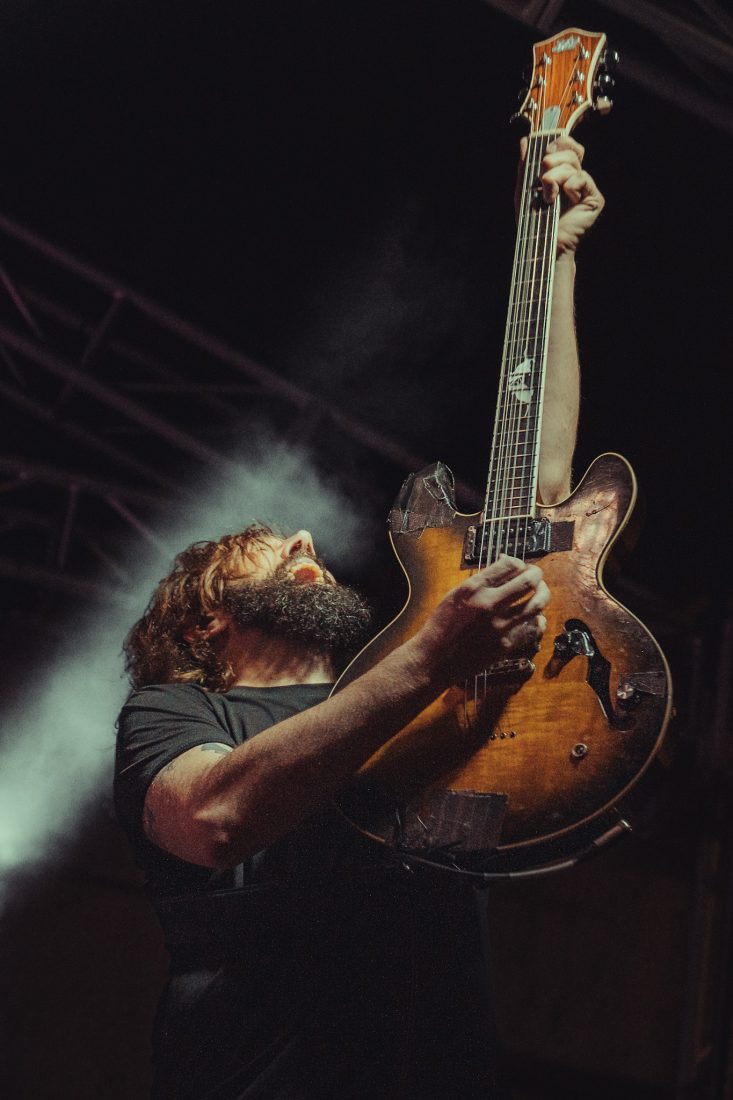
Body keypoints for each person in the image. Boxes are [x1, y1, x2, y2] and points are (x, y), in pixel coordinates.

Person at [114, 136, 604, 1099]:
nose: (305, 534)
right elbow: (211, 818)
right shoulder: (177, 712)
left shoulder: (406, 685)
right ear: (205, 623)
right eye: (263, 543)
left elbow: (538, 497)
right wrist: (429, 661)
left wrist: (556, 255)